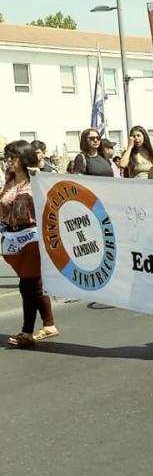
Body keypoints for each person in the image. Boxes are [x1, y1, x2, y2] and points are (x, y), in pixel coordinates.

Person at [1, 141, 58, 348]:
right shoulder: (9, 180)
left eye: (13, 157)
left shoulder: (38, 179)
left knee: (27, 284)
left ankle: (27, 332)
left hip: (33, 237)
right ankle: (49, 324)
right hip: (12, 237)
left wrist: (40, 174)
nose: (9, 160)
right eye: (7, 156)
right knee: (35, 284)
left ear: (24, 158)